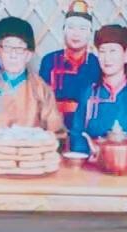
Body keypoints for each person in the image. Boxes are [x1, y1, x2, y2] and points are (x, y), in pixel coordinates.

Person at [70, 24, 127, 167]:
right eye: (102, 51)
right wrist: (90, 155)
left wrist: (117, 158)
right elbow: (76, 133)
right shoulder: (89, 92)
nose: (107, 58)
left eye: (113, 51)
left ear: (125, 55)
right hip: (93, 166)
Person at [0, 19, 65, 143]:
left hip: (32, 152)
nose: (13, 55)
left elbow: (57, 132)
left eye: (19, 48)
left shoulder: (40, 87)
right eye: (7, 47)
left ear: (29, 54)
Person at [38, 1, 101, 133]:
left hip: (87, 131)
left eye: (82, 29)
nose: (76, 34)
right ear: (63, 30)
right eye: (71, 27)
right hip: (53, 130)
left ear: (90, 33)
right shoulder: (49, 61)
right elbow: (41, 100)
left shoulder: (97, 63)